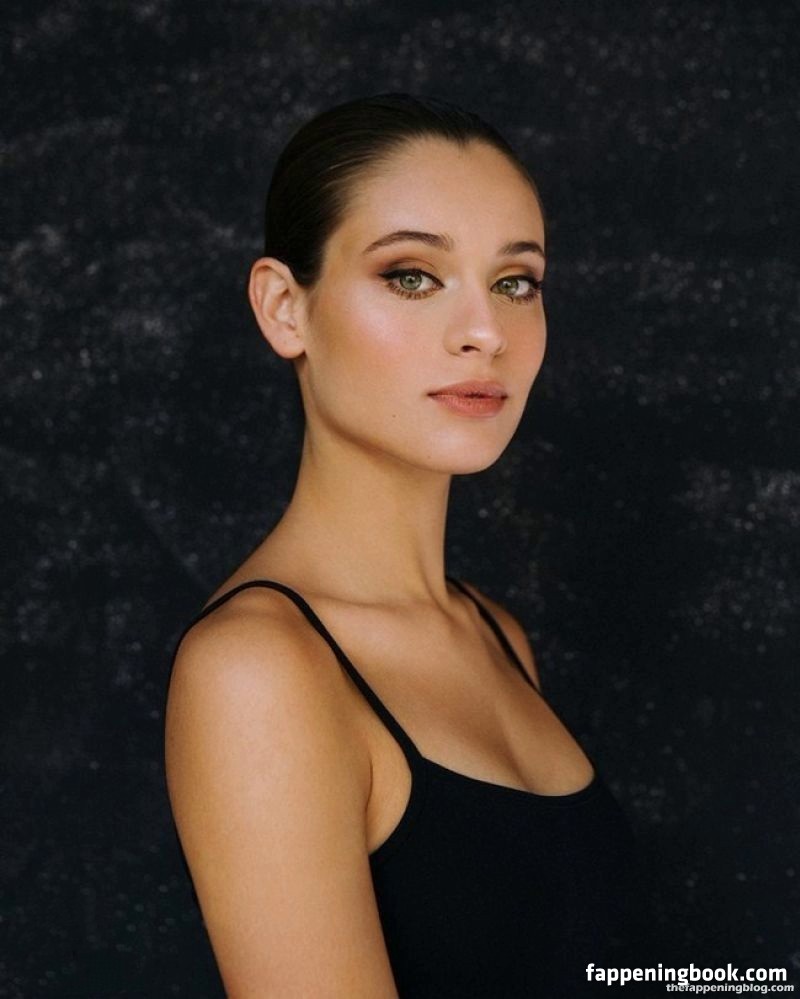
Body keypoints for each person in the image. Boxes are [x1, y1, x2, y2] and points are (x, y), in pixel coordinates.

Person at [165, 93, 655, 998]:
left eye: (516, 282)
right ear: (284, 308)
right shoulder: (258, 670)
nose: (486, 332)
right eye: (413, 275)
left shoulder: (494, 635)